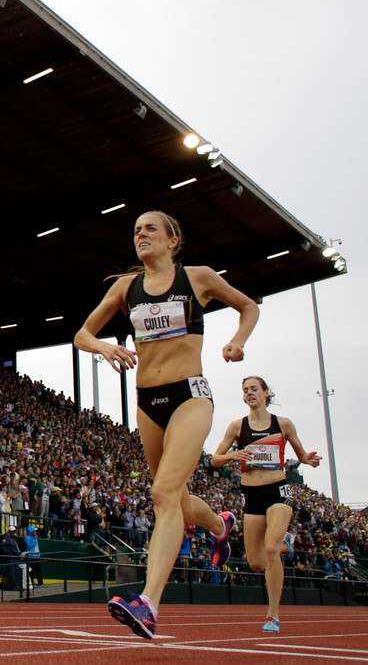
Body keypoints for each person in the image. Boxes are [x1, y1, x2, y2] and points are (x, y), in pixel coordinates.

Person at [74, 210, 259, 639]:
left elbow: (248, 306)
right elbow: (82, 335)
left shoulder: (198, 277)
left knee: (162, 493)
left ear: (173, 240)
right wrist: (104, 347)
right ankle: (220, 526)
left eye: (150, 228)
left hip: (189, 396)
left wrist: (237, 341)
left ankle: (149, 603)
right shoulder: (126, 287)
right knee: (174, 497)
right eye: (136, 230)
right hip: (148, 403)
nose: (141, 234)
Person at [211, 376, 321, 633]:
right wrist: (233, 455)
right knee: (256, 563)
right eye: (245, 390)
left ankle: (273, 615)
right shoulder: (237, 426)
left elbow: (300, 454)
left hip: (278, 491)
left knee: (270, 550)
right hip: (251, 495)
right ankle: (285, 542)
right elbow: (215, 459)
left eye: (254, 389)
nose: (249, 393)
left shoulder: (283, 424)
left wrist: (307, 458)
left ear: (266, 393)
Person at [0, 524, 23, 590]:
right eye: (12, 531)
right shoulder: (6, 537)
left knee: (17, 571)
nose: (14, 532)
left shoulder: (13, 538)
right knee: (12, 572)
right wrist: (9, 552)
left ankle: (18, 585)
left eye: (14, 531)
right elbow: (2, 545)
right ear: (9, 531)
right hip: (10, 557)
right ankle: (15, 586)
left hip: (15, 556)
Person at [23, 524, 44, 588]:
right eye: (34, 531)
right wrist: (33, 540)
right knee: (32, 571)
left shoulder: (35, 537)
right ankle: (31, 583)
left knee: (39, 570)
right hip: (31, 556)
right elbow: (29, 546)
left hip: (37, 555)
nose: (35, 532)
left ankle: (40, 583)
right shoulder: (27, 538)